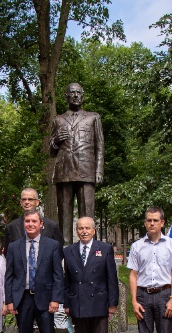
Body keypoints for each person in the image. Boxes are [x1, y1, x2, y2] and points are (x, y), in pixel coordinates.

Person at [5, 208, 64, 333]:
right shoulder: (14, 247)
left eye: (34, 222)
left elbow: (57, 275)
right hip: (23, 299)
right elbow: (10, 276)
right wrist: (9, 301)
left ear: (41, 224)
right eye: (27, 221)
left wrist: (55, 299)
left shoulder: (52, 245)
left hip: (45, 299)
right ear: (24, 224)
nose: (30, 224)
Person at [63, 217, 119, 333]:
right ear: (77, 231)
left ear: (94, 230)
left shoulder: (105, 249)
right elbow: (67, 280)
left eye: (87, 228)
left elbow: (112, 278)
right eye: (80, 228)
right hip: (78, 302)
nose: (84, 231)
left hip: (99, 302)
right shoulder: (69, 251)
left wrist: (113, 303)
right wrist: (66, 303)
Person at [50, 82, 105, 245]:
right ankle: (65, 250)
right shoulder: (58, 120)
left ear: (83, 95)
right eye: (72, 93)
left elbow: (100, 146)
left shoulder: (93, 117)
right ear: (66, 97)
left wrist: (99, 170)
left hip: (86, 170)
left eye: (78, 92)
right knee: (64, 216)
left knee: (87, 215)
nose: (75, 95)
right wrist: (55, 141)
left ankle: (88, 249)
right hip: (64, 171)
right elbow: (51, 152)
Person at [1, 187, 64, 254]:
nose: (26, 202)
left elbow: (59, 251)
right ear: (21, 202)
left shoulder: (51, 226)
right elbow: (8, 254)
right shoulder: (11, 227)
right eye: (24, 199)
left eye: (30, 199)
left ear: (37, 202)